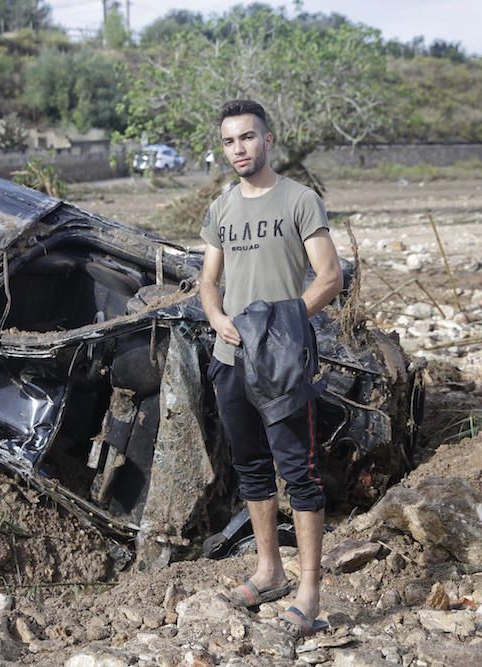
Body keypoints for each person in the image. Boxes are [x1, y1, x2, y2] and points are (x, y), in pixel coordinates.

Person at [198, 100, 343, 637]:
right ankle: (268, 571)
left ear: (268, 139)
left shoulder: (300, 200)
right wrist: (216, 316)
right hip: (231, 359)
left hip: (281, 363)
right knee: (252, 469)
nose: (239, 149)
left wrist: (281, 324)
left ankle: (308, 589)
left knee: (299, 472)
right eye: (231, 141)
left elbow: (328, 277)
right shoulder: (221, 209)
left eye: (248, 138)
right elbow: (209, 280)